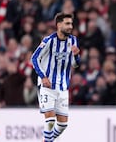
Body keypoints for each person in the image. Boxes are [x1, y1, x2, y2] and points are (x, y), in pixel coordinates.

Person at [31, 13, 80, 142]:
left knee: (63, 125)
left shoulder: (73, 40)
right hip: (47, 86)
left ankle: (47, 140)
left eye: (71, 24)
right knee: (50, 120)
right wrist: (43, 77)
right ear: (59, 25)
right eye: (67, 23)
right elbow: (34, 58)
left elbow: (75, 65)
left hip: (63, 86)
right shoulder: (49, 41)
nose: (70, 26)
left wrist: (76, 56)